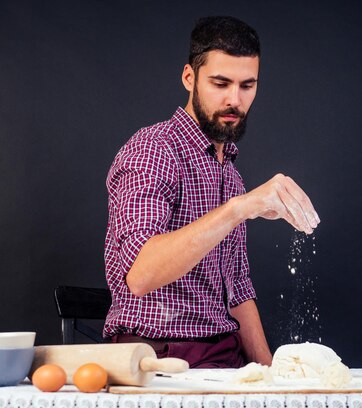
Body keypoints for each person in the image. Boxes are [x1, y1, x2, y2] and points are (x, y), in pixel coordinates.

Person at [103, 16, 320, 368]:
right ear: (189, 77)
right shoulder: (152, 150)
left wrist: (273, 378)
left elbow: (238, 291)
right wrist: (239, 208)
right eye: (220, 83)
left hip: (224, 356)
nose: (234, 100)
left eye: (247, 85)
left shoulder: (228, 172)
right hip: (158, 358)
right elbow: (141, 275)